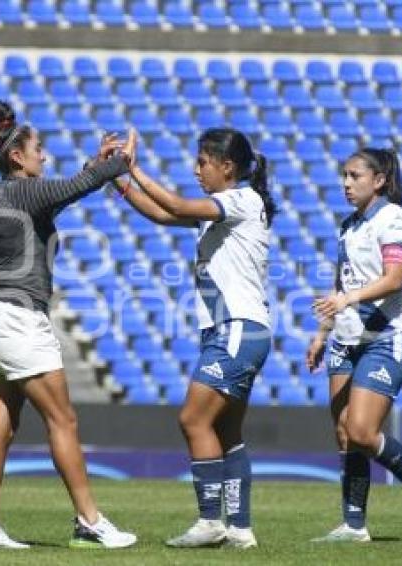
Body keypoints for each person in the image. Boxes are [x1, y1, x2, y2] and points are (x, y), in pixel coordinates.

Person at [0, 101, 137, 550]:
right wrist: (119, 163)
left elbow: (69, 189)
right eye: (39, 149)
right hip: (19, 316)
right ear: (18, 157)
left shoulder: (9, 194)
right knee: (63, 420)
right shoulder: (22, 192)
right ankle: (90, 519)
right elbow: (76, 187)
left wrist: (94, 166)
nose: (45, 155)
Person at [115, 127, 275, 549]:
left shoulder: (242, 198)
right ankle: (240, 528)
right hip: (236, 330)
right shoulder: (228, 207)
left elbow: (177, 203)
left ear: (228, 167)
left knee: (192, 419)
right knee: (227, 433)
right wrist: (115, 178)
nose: (196, 169)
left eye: (203, 162)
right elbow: (163, 214)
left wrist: (134, 168)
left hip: (236, 329)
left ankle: (210, 522)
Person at [306, 148, 402, 543]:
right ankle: (353, 525)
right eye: (344, 176)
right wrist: (322, 333)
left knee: (363, 432)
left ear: (379, 180)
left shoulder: (393, 219)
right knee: (345, 434)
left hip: (384, 339)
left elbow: (394, 279)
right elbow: (340, 284)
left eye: (354, 176)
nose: (346, 184)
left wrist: (349, 300)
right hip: (345, 341)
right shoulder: (348, 225)